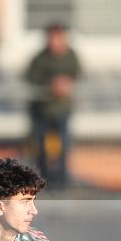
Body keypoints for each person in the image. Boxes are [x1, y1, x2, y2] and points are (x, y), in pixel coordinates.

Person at [25, 23, 82, 187]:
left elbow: (78, 75)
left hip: (62, 110)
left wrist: (67, 83)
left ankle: (62, 180)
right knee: (41, 146)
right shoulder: (40, 58)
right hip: (42, 110)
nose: (55, 41)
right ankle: (42, 180)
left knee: (63, 145)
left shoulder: (71, 56)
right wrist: (50, 84)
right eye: (52, 37)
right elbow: (30, 78)